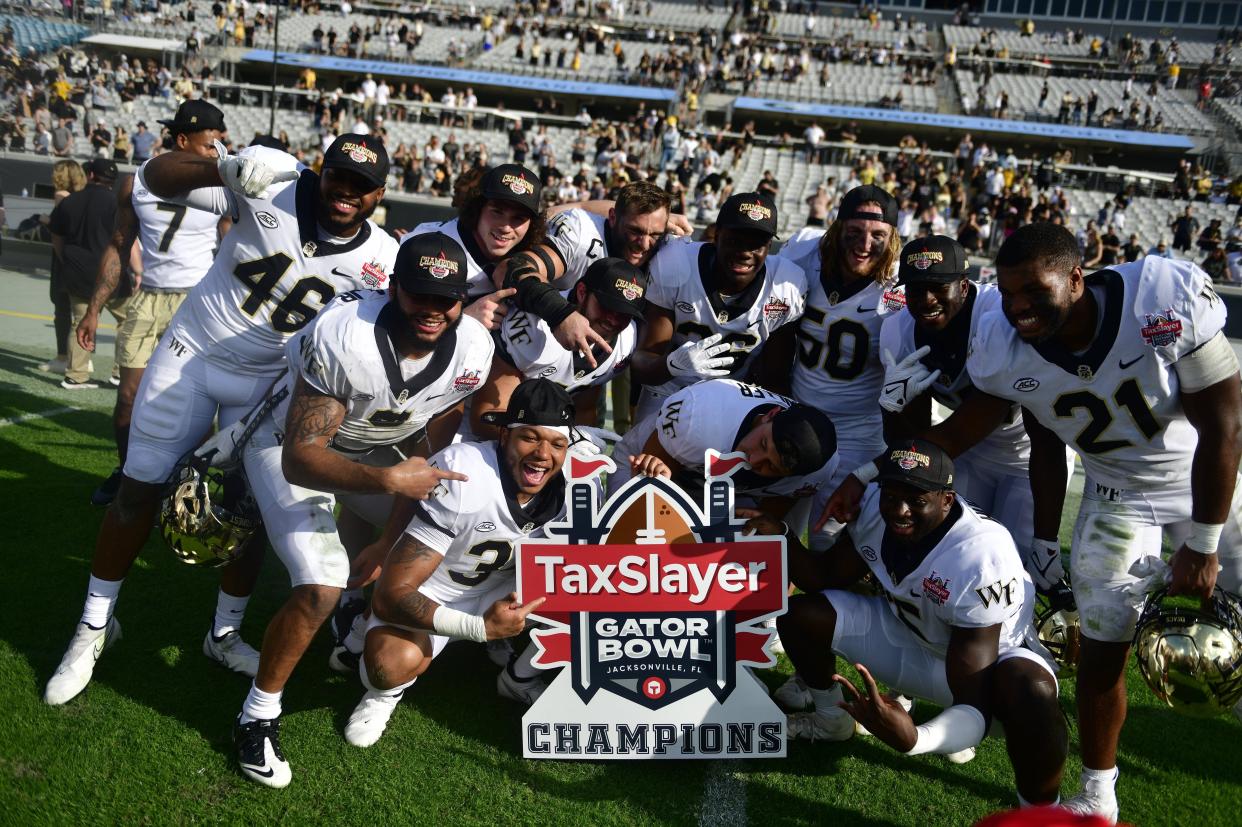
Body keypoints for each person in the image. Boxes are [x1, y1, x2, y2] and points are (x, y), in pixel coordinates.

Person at [834, 223, 1242, 821]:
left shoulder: (1160, 294)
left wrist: (1204, 544)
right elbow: (960, 436)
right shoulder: (1000, 346)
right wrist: (871, 470)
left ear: (1076, 277)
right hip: (1117, 492)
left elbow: (1225, 426)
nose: (1020, 308)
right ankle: (1099, 796)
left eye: (1035, 292)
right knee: (1104, 651)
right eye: (1010, 293)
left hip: (1215, 479)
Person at [42, 134, 399, 708]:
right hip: (194, 355)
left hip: (267, 384)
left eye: (362, 186)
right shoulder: (273, 183)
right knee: (139, 486)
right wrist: (222, 167)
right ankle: (93, 625)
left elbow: (423, 308)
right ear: (320, 170)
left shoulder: (383, 257)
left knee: (247, 511)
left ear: (379, 194)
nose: (346, 193)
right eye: (339, 177)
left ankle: (223, 634)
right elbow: (155, 177)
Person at [232, 232, 494, 788]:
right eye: (419, 294)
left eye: (446, 299)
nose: (432, 309)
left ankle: (360, 623)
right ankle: (257, 715)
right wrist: (386, 479)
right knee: (321, 583)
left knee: (440, 534)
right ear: (392, 288)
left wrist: (385, 542)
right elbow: (302, 459)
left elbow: (432, 453)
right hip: (287, 448)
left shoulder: (472, 348)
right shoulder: (346, 334)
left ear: (461, 300)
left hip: (376, 452)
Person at [761, 439, 1066, 807]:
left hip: (983, 676)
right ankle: (831, 720)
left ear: (947, 500)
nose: (900, 510)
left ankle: (1039, 812)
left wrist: (916, 739)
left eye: (917, 501)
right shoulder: (876, 507)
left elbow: (974, 705)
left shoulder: (981, 556)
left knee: (1033, 690)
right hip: (907, 635)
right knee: (801, 616)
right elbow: (824, 576)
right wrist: (780, 533)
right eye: (892, 495)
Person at [341, 378, 576, 749]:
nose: (543, 454)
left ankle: (520, 674)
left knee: (598, 582)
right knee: (391, 665)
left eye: (557, 444)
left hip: (498, 590)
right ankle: (382, 693)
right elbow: (392, 594)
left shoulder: (574, 487)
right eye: (529, 438)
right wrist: (479, 628)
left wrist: (652, 475)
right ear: (504, 436)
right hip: (433, 589)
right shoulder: (466, 472)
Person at [76, 100, 232, 507]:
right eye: (209, 143)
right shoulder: (137, 181)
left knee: (196, 400)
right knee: (128, 396)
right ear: (182, 140)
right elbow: (118, 244)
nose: (217, 152)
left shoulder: (222, 185)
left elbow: (235, 244)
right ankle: (128, 473)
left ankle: (186, 484)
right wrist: (94, 308)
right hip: (147, 299)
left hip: (198, 301)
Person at [877, 235, 1044, 546]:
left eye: (939, 287)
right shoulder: (898, 330)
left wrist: (862, 474)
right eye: (915, 289)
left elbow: (961, 430)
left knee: (1019, 552)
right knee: (956, 546)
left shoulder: (997, 319)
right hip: (969, 453)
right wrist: (892, 407)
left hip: (1026, 452)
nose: (926, 299)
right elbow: (909, 443)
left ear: (964, 287)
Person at [629, 191, 807, 422]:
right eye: (736, 240)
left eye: (756, 244)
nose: (745, 252)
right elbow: (643, 363)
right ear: (717, 235)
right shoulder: (676, 264)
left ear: (769, 245)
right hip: (667, 390)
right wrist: (672, 365)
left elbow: (774, 380)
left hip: (732, 398)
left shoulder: (785, 287)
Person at [472, 257, 647, 437]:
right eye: (607, 306)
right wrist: (556, 439)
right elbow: (486, 417)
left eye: (624, 314)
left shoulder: (627, 340)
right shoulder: (534, 328)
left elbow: (584, 406)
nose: (613, 319)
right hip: (479, 439)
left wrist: (579, 438)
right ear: (581, 292)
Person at [612, 378, 839, 514]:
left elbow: (773, 514)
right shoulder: (700, 419)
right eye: (762, 444)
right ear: (770, 414)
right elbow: (644, 491)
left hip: (725, 493)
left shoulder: (817, 471)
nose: (754, 460)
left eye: (773, 467)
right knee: (639, 541)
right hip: (650, 470)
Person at [49, 158, 127, 390]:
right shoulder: (117, 203)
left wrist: (66, 259)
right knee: (128, 320)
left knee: (81, 321)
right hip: (110, 272)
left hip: (77, 271)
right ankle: (120, 373)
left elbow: (56, 236)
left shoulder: (70, 201)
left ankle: (76, 375)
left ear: (90, 174)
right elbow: (125, 239)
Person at [39, 160, 87, 375]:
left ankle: (63, 357)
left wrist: (45, 220)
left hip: (63, 257)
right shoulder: (82, 196)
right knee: (80, 309)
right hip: (80, 256)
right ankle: (82, 357)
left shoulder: (62, 196)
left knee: (61, 308)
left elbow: (60, 228)